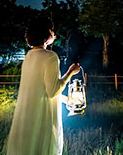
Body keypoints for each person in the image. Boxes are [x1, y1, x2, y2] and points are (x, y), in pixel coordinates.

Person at [6, 17, 80, 155]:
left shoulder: (29, 56)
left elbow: (40, 89)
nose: (54, 34)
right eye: (52, 30)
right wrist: (70, 72)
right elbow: (52, 91)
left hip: (26, 119)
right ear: (46, 33)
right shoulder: (50, 57)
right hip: (42, 121)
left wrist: (66, 100)